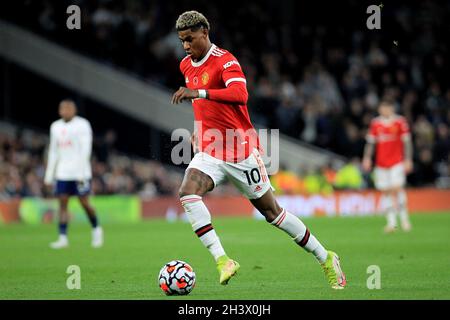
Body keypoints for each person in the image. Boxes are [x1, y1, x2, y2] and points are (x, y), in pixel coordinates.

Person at [171, 11, 346, 289]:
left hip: (240, 152)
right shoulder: (185, 64)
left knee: (273, 214)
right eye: (182, 41)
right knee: (187, 193)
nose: (186, 46)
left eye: (190, 39)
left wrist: (200, 93)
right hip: (209, 149)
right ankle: (223, 260)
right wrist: (199, 126)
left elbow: (241, 96)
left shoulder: (225, 61)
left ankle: (326, 257)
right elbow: (202, 105)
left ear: (204, 32)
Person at [44, 99, 103, 249]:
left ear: (74, 110)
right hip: (63, 173)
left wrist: (82, 173)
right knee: (62, 204)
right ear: (59, 111)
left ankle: (96, 230)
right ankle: (62, 238)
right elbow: (53, 151)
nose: (66, 111)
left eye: (69, 108)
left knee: (84, 203)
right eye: (63, 108)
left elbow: (86, 149)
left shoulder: (82, 124)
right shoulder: (55, 126)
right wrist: (49, 174)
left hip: (80, 173)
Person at [363, 100, 413, 233]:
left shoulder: (400, 122)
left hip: (396, 162)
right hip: (381, 164)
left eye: (387, 107)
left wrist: (408, 159)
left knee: (397, 189)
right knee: (385, 191)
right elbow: (370, 143)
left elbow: (407, 142)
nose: (384, 110)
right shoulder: (376, 123)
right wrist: (367, 158)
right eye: (382, 108)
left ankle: (404, 220)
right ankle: (391, 223)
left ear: (391, 108)